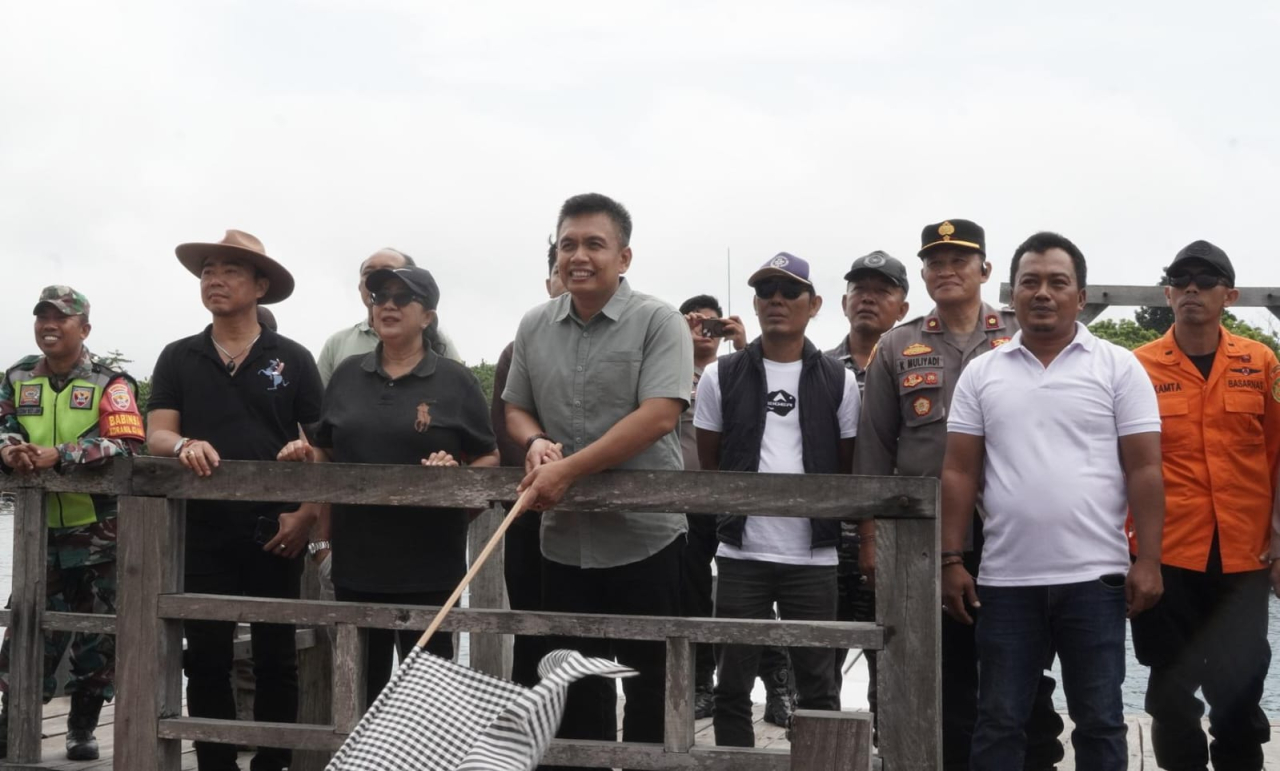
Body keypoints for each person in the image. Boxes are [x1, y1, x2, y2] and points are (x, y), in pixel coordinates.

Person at [940, 231, 1165, 770]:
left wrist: (1150, 559)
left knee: (1101, 720)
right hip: (1005, 581)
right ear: (1011, 295)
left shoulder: (1118, 367)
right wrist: (950, 559)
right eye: (1030, 282)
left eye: (1057, 282)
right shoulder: (983, 372)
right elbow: (959, 471)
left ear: (1080, 296)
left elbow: (1146, 468)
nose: (1043, 293)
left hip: (1097, 579)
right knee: (998, 720)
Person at [854, 219, 1062, 770]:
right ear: (922, 272)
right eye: (934, 262)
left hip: (1012, 535)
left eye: (959, 261)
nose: (945, 271)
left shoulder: (1021, 335)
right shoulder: (897, 345)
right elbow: (874, 450)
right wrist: (870, 537)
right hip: (925, 539)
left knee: (1024, 666)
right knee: (938, 669)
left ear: (985, 271)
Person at [503, 193, 693, 769]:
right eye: (567, 245)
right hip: (562, 542)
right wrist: (535, 442)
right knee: (573, 686)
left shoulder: (660, 321)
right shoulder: (535, 325)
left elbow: (660, 414)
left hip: (647, 538)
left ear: (624, 256)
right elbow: (516, 407)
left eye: (593, 244)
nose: (578, 256)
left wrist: (567, 469)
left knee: (651, 688)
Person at [279, 265, 498, 708]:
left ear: (428, 316)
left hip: (433, 567)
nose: (389, 305)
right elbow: (324, 450)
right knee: (361, 691)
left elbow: (489, 458)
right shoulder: (344, 375)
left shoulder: (456, 380)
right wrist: (304, 459)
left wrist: (454, 474)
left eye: (403, 297)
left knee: (431, 698)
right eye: (380, 297)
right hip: (357, 564)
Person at [147, 229, 323, 771]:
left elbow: (324, 446)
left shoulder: (293, 359)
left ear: (260, 285)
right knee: (204, 658)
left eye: (228, 271)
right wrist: (184, 444)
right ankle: (215, 765)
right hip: (200, 529)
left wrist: (307, 512)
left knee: (277, 658)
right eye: (206, 272)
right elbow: (155, 433)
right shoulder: (179, 356)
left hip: (278, 529)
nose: (214, 280)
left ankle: (273, 766)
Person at [694, 253, 859, 747]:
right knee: (733, 686)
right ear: (754, 303)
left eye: (789, 292)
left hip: (815, 554)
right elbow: (713, 463)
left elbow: (845, 466)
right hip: (741, 551)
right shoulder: (718, 376)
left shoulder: (840, 379)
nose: (777, 301)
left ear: (815, 304)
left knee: (819, 687)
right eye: (766, 291)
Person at [1129, 240, 1280, 770]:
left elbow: (1279, 455)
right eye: (1181, 278)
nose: (1192, 287)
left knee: (1238, 690)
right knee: (1169, 694)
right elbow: (1118, 463)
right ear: (1168, 292)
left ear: (1229, 294)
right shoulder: (1136, 368)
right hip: (1166, 554)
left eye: (1207, 279)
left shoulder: (1261, 363)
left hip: (1245, 557)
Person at [0, 286, 145, 761]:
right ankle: (13, 725)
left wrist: (60, 455)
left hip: (100, 534)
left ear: (83, 328)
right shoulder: (17, 376)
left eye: (61, 318)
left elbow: (126, 443)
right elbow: (3, 425)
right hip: (36, 534)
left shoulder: (111, 382)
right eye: (42, 317)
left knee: (99, 639)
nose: (50, 325)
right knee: (24, 630)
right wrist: (10, 448)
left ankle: (81, 729)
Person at [824, 250, 910, 719]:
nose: (869, 299)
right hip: (828, 541)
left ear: (903, 306)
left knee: (894, 667)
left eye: (883, 290)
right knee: (820, 667)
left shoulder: (918, 370)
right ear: (843, 301)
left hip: (897, 538)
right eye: (860, 289)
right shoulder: (816, 368)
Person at [676, 293, 756, 723]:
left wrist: (743, 344)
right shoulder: (666, 372)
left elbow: (769, 393)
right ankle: (700, 683)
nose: (704, 331)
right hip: (686, 504)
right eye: (696, 324)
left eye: (713, 325)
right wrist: (674, 330)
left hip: (736, 502)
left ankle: (772, 686)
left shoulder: (737, 371)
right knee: (691, 593)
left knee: (747, 594)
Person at [492, 240, 566, 688]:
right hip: (529, 519)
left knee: (586, 640)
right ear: (549, 281)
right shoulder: (518, 348)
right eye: (560, 268)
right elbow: (504, 430)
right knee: (529, 632)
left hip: (599, 523)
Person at [316, 248, 462, 385]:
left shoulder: (441, 344)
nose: (389, 304)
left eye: (402, 296)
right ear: (360, 286)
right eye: (368, 273)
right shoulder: (338, 344)